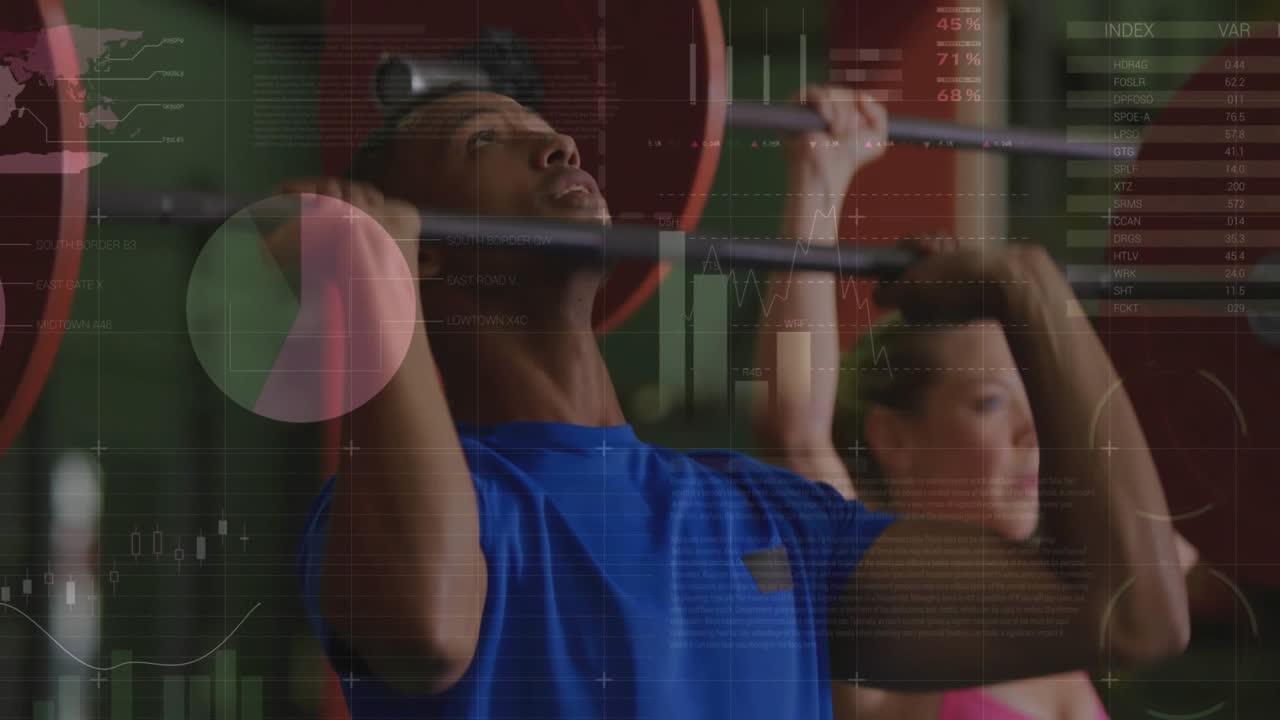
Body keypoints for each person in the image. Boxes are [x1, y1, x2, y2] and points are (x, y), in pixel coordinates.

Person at [287, 43, 1189, 719]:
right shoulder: (433, 510)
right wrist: (370, 289)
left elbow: (1131, 618)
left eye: (546, 131)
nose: (561, 146)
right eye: (487, 138)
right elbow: (428, 630)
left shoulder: (765, 518)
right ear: (425, 255)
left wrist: (1028, 288)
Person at [754, 128, 1198, 718]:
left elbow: (1194, 509)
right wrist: (821, 174)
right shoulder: (864, 586)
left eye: (1030, 403)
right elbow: (795, 431)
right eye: (990, 403)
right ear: (894, 439)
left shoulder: (1057, 599)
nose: (1033, 433)